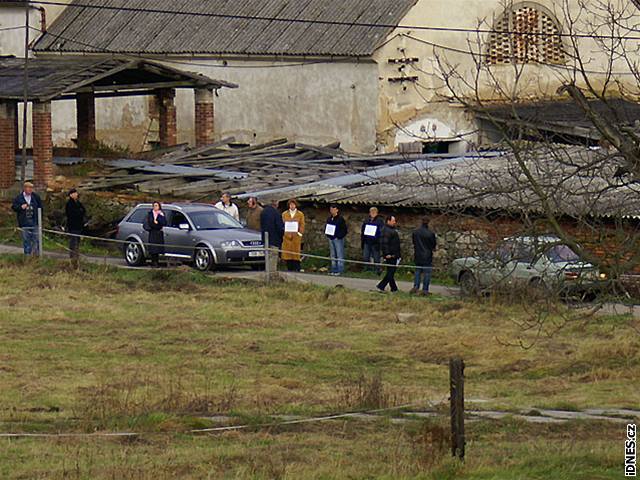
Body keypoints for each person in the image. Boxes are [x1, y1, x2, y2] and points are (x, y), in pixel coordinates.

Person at [12, 181, 43, 256]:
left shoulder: (35, 197)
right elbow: (14, 207)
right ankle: (27, 255)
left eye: (32, 188)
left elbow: (40, 207)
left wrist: (40, 219)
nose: (31, 190)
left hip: (34, 221)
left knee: (36, 239)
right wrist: (21, 207)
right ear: (25, 188)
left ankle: (36, 255)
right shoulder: (19, 198)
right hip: (24, 222)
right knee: (26, 240)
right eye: (29, 188)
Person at [411, 216, 437, 296]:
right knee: (427, 273)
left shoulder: (415, 232)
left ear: (421, 221)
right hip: (427, 255)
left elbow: (414, 242)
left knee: (417, 272)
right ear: (428, 222)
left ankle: (416, 287)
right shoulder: (430, 233)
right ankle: (425, 290)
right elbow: (433, 245)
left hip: (418, 254)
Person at [377, 215, 401, 293]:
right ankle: (381, 285)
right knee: (391, 272)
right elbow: (384, 243)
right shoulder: (387, 231)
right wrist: (387, 253)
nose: (395, 222)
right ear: (388, 221)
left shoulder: (389, 230)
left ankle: (394, 288)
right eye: (393, 221)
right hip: (391, 254)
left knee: (391, 271)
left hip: (393, 253)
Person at [281, 199, 305, 271]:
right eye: (291, 205)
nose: (292, 206)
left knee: (296, 252)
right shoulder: (284, 214)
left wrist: (300, 233)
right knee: (287, 253)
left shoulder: (300, 214)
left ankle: (297, 267)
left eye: (293, 204)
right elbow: (282, 224)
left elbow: (302, 224)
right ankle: (289, 267)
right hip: (287, 237)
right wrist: (284, 233)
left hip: (296, 237)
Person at [325, 204, 348, 276]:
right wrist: (328, 234)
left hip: (338, 239)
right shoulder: (329, 219)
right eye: (331, 209)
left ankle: (340, 270)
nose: (331, 211)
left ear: (337, 210)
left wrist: (339, 236)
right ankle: (333, 269)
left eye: (333, 209)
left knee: (339, 254)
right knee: (332, 254)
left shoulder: (340, 219)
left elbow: (344, 230)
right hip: (331, 238)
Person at [65, 188, 86, 263]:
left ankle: (76, 255)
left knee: (77, 241)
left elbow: (83, 210)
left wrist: (80, 212)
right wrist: (79, 212)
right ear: (71, 195)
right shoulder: (69, 204)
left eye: (76, 193)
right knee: (73, 241)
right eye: (74, 193)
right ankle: (72, 256)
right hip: (72, 225)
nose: (76, 194)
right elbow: (72, 214)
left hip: (79, 225)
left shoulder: (78, 203)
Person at [361, 207, 385, 273]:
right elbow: (363, 230)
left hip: (375, 242)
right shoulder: (366, 220)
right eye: (371, 212)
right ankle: (367, 270)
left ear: (377, 213)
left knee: (376, 257)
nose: (372, 213)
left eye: (374, 212)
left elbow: (381, 232)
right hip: (367, 241)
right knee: (366, 256)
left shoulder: (380, 221)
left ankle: (377, 270)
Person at [144, 201, 167, 268]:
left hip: (159, 233)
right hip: (152, 232)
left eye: (156, 205)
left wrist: (159, 218)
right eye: (154, 205)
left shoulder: (161, 214)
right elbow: (150, 223)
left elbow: (164, 223)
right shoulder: (150, 214)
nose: (155, 207)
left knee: (157, 249)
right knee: (153, 248)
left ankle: (156, 262)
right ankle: (153, 262)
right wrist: (155, 223)